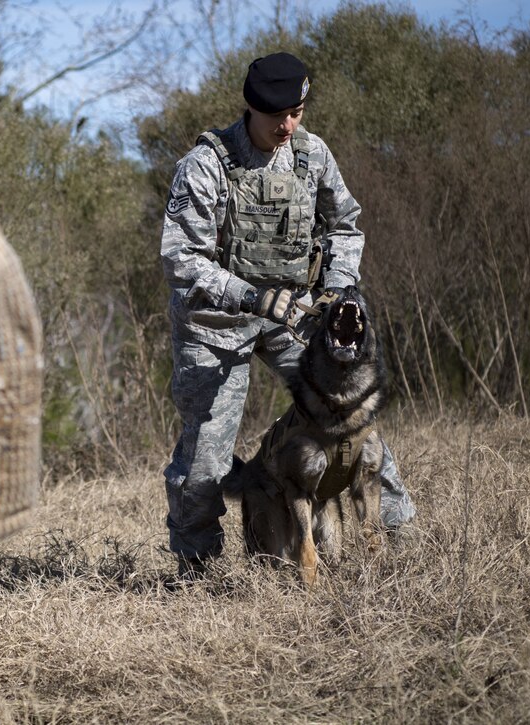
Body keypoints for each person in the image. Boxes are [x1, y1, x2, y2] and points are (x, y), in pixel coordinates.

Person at [160, 52, 416, 578]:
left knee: (354, 421)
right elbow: (182, 258)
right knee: (206, 459)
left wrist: (339, 289)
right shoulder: (206, 164)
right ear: (250, 108)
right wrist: (248, 296)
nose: (288, 125)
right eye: (278, 116)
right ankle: (196, 570)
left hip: (294, 316)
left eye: (297, 112)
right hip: (214, 325)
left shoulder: (311, 155)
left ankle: (398, 537)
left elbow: (346, 225)